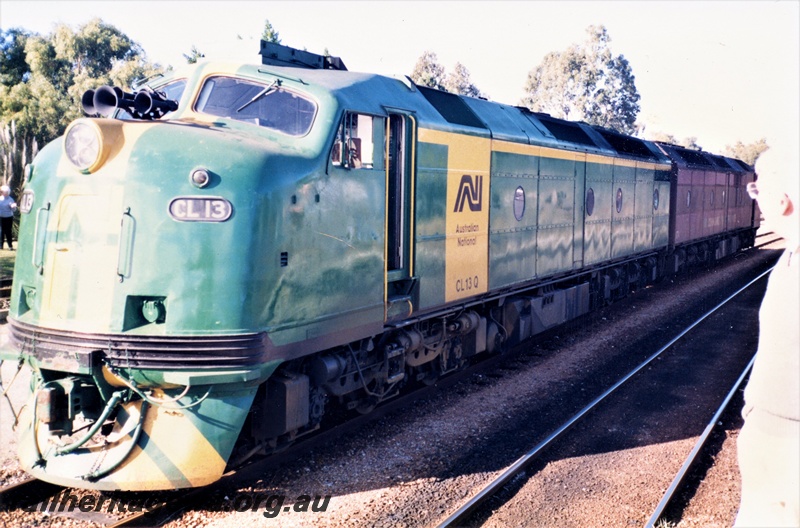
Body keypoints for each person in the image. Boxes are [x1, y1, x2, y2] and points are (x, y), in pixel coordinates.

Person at [734, 147, 800, 527]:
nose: (755, 199)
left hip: (787, 456)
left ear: (783, 200)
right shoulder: (789, 256)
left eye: (757, 190)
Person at [0, 185, 16, 250]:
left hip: (8, 217)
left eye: (4, 191)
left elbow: (13, 209)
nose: (2, 192)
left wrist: (13, 207)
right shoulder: (0, 199)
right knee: (1, 231)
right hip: (1, 217)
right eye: (2, 191)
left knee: (8, 231)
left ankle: (10, 246)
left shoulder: (10, 199)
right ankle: (1, 245)